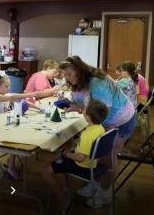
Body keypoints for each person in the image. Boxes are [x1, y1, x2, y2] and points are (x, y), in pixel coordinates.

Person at [58, 56, 136, 208]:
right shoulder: (82, 81)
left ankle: (105, 192)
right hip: (104, 121)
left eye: (68, 74)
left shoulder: (98, 83)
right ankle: (94, 183)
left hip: (121, 120)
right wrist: (76, 106)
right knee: (97, 154)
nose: (66, 78)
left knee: (107, 156)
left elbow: (100, 112)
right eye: (64, 75)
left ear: (79, 71)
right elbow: (87, 104)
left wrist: (81, 111)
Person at [42, 100, 108, 214]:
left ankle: (62, 199)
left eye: (85, 108)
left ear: (88, 116)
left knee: (45, 171)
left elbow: (80, 158)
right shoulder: (100, 127)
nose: (84, 109)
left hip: (83, 166)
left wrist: (67, 154)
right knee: (61, 155)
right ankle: (66, 187)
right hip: (93, 162)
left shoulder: (88, 134)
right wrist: (72, 151)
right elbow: (86, 149)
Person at [0, 74, 38, 180]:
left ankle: (10, 161)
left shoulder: (5, 94)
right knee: (15, 139)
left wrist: (38, 108)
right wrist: (30, 94)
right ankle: (11, 166)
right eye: (6, 86)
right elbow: (12, 97)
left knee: (19, 134)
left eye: (9, 86)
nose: (8, 88)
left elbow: (21, 100)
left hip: (4, 124)